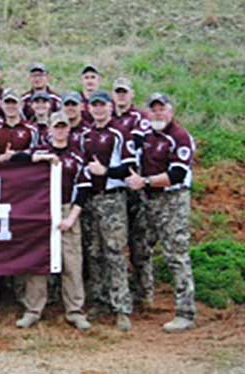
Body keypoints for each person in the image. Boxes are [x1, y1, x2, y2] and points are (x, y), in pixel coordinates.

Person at [125, 93, 197, 333]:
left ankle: (186, 312)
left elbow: (176, 174)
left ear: (171, 111)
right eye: (153, 110)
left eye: (162, 109)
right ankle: (144, 298)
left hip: (172, 200)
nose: (157, 114)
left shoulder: (180, 137)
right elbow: (133, 147)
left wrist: (144, 181)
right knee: (140, 246)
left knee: (176, 255)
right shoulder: (147, 133)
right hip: (148, 200)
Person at [16, 111, 92, 330]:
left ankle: (75, 311)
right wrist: (38, 159)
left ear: (69, 128)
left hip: (67, 209)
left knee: (72, 262)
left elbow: (83, 190)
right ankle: (33, 310)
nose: (59, 130)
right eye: (55, 126)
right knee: (38, 261)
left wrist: (71, 218)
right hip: (42, 211)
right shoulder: (41, 150)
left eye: (63, 126)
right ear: (48, 129)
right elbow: (15, 160)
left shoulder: (77, 156)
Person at [81, 91, 136, 331]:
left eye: (102, 105)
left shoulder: (120, 134)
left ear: (110, 108)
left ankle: (122, 308)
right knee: (93, 252)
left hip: (112, 199)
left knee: (115, 252)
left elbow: (130, 167)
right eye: (94, 105)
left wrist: (106, 171)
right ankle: (100, 300)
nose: (98, 109)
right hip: (90, 200)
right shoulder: (85, 135)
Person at [0, 89, 39, 310]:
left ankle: (20, 292)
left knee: (20, 240)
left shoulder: (31, 130)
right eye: (7, 102)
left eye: (14, 102)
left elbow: (38, 158)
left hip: (23, 193)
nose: (11, 106)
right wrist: (0, 159)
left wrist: (15, 158)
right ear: (2, 105)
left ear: (20, 105)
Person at [111, 77, 156, 308]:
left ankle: (145, 293)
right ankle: (120, 292)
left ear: (132, 94)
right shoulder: (108, 117)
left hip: (136, 183)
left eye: (124, 92)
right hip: (115, 185)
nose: (120, 96)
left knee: (140, 242)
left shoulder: (140, 118)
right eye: (117, 92)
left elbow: (138, 145)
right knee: (115, 242)